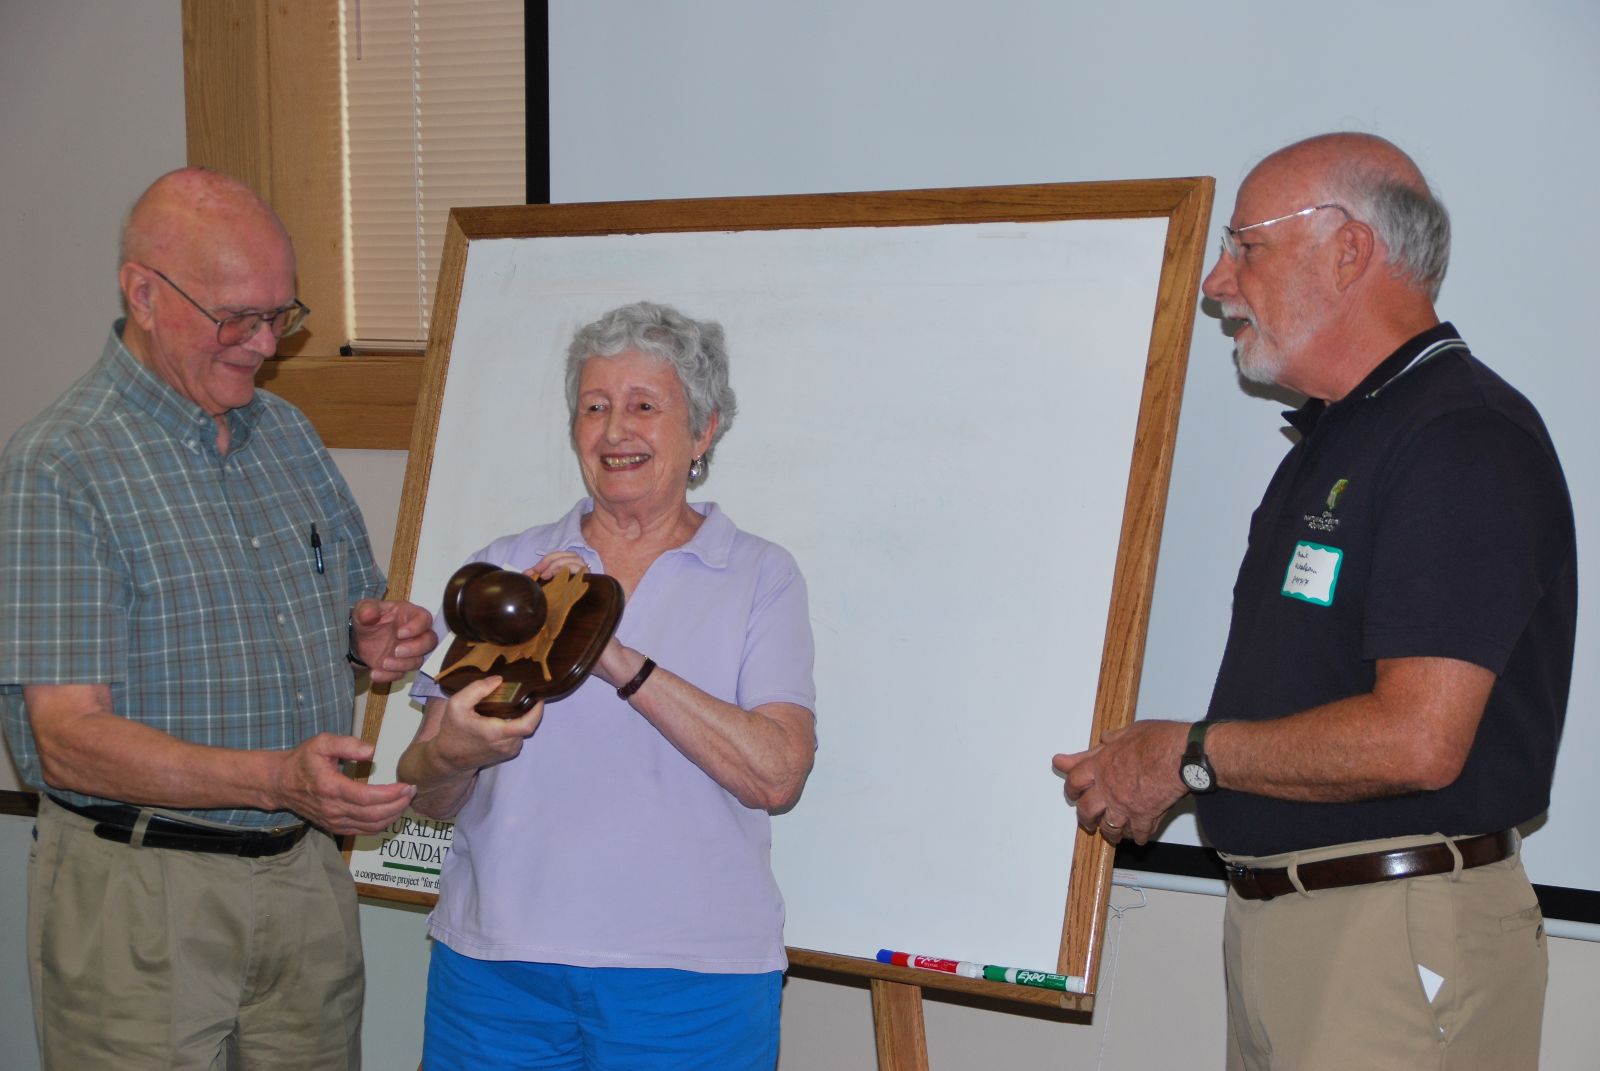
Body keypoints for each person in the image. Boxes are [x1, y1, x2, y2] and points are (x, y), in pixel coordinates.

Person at [1054, 133, 1575, 1070]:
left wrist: (1191, 753)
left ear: (1348, 250)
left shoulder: (1462, 438)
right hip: (1292, 928)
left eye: (1246, 245)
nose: (1217, 280)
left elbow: (1418, 737)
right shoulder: (1344, 438)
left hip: (1391, 936)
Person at [0, 167, 438, 1071]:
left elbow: (350, 620)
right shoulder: (59, 467)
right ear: (144, 294)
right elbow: (66, 743)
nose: (265, 344)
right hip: (139, 891)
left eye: (283, 315)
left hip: (305, 875)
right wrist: (274, 777)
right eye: (237, 317)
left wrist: (367, 642)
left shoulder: (287, 434)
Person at [397, 300, 817, 1071]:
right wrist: (454, 751)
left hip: (691, 981)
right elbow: (422, 786)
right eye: (594, 406)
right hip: (497, 971)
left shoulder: (759, 573)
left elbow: (778, 772)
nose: (614, 429)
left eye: (643, 406)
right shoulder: (512, 566)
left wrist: (609, 651)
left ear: (703, 432)